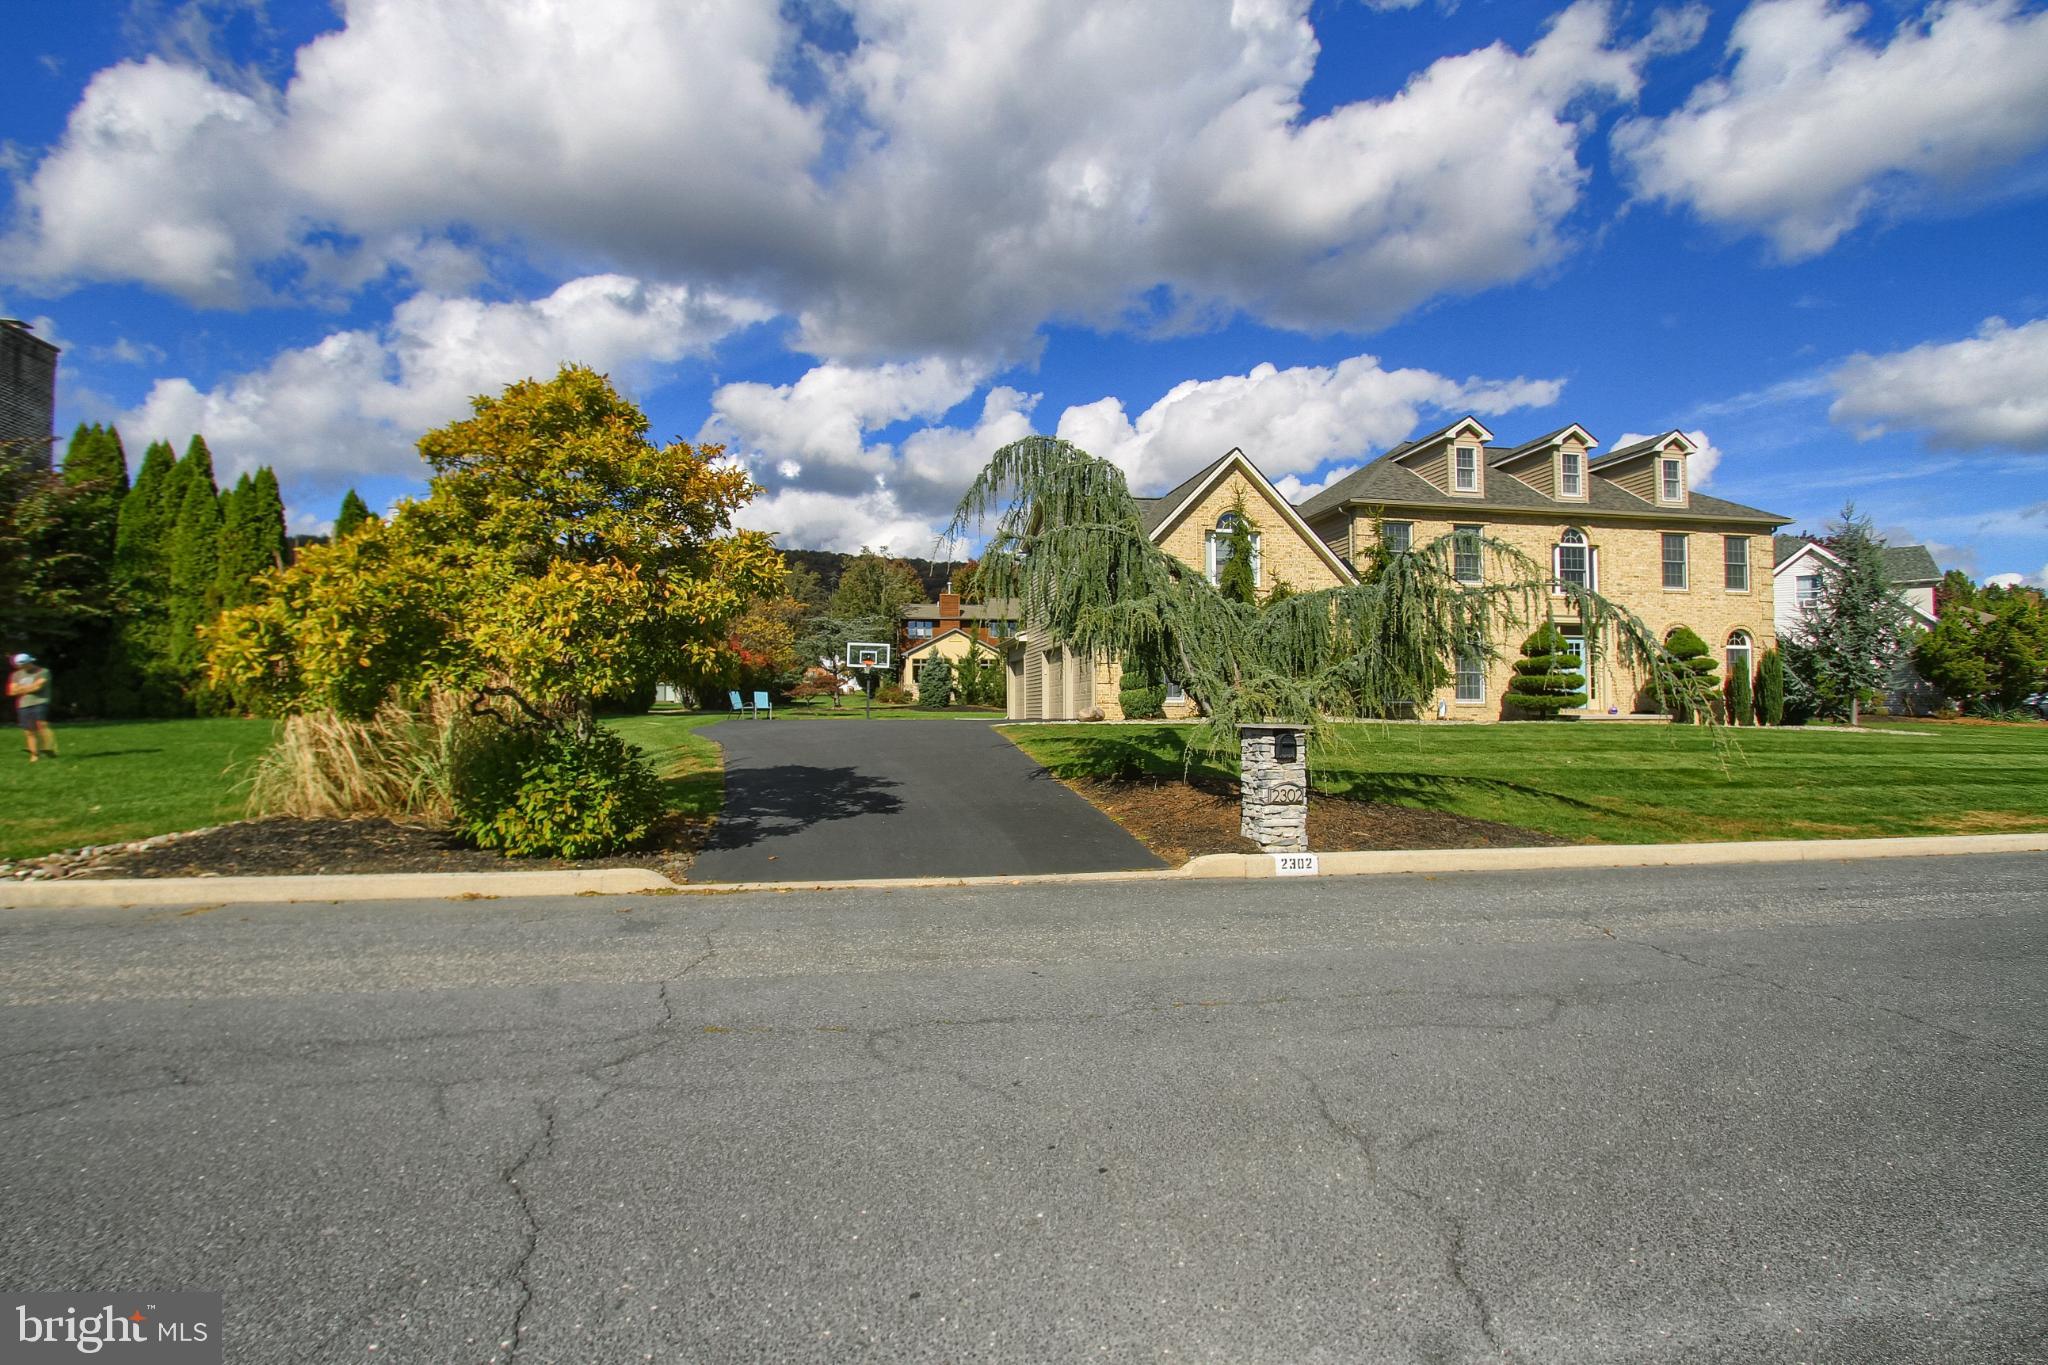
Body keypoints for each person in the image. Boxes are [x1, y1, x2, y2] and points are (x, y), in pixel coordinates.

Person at [9, 652, 58, 762]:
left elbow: (37, 687)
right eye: (19, 665)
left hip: (40, 701)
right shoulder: (16, 675)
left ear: (30, 662)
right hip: (23, 705)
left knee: (41, 724)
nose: (20, 667)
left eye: (23, 664)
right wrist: (29, 687)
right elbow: (12, 691)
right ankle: (34, 754)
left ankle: (49, 748)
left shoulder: (43, 672)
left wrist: (21, 689)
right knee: (29, 730)